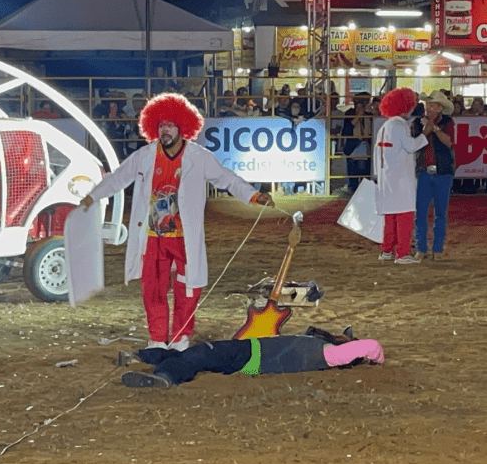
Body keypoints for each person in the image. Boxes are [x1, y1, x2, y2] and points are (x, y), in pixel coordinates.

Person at [79, 93, 274, 351]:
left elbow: (226, 178)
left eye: (170, 125)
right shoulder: (145, 156)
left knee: (188, 288)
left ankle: (181, 338)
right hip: (152, 237)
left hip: (184, 238)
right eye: (160, 125)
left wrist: (253, 195)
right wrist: (92, 197)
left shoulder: (199, 157)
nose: (165, 130)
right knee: (153, 290)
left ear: (183, 127)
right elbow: (118, 178)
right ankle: (157, 340)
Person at [120, 326, 384, 388]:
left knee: (201, 353)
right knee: (198, 354)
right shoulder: (321, 349)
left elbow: (370, 346)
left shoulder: (329, 355)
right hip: (251, 355)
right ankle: (143, 357)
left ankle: (163, 377)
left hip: (251, 355)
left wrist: (377, 360)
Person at [373, 88, 429, 265]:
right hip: (400, 177)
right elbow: (411, 146)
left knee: (389, 216)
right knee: (404, 214)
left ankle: (387, 250)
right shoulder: (399, 126)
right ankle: (403, 253)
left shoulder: (386, 125)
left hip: (386, 176)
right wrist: (425, 133)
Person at [411, 91, 455, 260]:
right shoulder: (417, 123)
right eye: (429, 105)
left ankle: (433, 249)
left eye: (433, 105)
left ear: (439, 108)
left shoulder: (446, 122)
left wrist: (431, 129)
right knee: (423, 213)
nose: (429, 108)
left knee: (437, 213)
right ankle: (425, 248)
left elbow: (449, 142)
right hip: (431, 171)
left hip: (439, 172)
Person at [341, 92, 372, 192]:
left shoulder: (369, 114)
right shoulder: (349, 113)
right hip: (353, 145)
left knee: (364, 169)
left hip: (365, 144)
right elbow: (347, 130)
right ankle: (353, 187)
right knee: (353, 169)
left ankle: (363, 189)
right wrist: (358, 116)